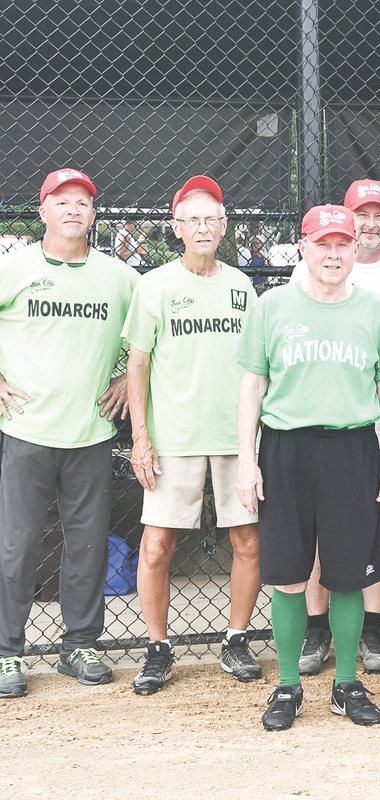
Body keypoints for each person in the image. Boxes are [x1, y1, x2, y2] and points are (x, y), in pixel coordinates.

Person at [234, 203, 380, 731]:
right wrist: (247, 460)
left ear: (356, 249)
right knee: (287, 577)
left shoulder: (373, 309)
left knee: (349, 576)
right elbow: (252, 384)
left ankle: (347, 683)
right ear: (304, 247)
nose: (333, 254)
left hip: (352, 449)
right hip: (284, 449)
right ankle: (288, 687)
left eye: (342, 244)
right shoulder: (272, 306)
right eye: (322, 244)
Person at [0, 168, 139, 698]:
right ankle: (8, 652)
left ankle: (80, 643)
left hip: (91, 431)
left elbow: (154, 330)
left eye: (83, 202)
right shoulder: (14, 269)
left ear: (93, 213)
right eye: (62, 202)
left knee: (87, 546)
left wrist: (130, 374)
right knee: (16, 546)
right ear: (43, 211)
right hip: (27, 430)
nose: (73, 210)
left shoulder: (118, 276)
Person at [124, 176, 262, 694]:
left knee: (247, 538)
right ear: (176, 226)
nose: (203, 227)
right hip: (173, 437)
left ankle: (236, 637)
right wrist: (141, 436)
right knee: (157, 544)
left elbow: (256, 366)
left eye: (212, 219)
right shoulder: (154, 285)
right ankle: (158, 647)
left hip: (234, 436)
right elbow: (137, 365)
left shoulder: (241, 286)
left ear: (224, 227)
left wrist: (255, 440)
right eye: (193, 219)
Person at [290, 180, 380, 678]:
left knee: (377, 524)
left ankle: (372, 627)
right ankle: (316, 626)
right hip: (318, 422)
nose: (369, 223)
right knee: (318, 530)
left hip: (378, 422)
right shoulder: (305, 270)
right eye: (359, 214)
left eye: (378, 214)